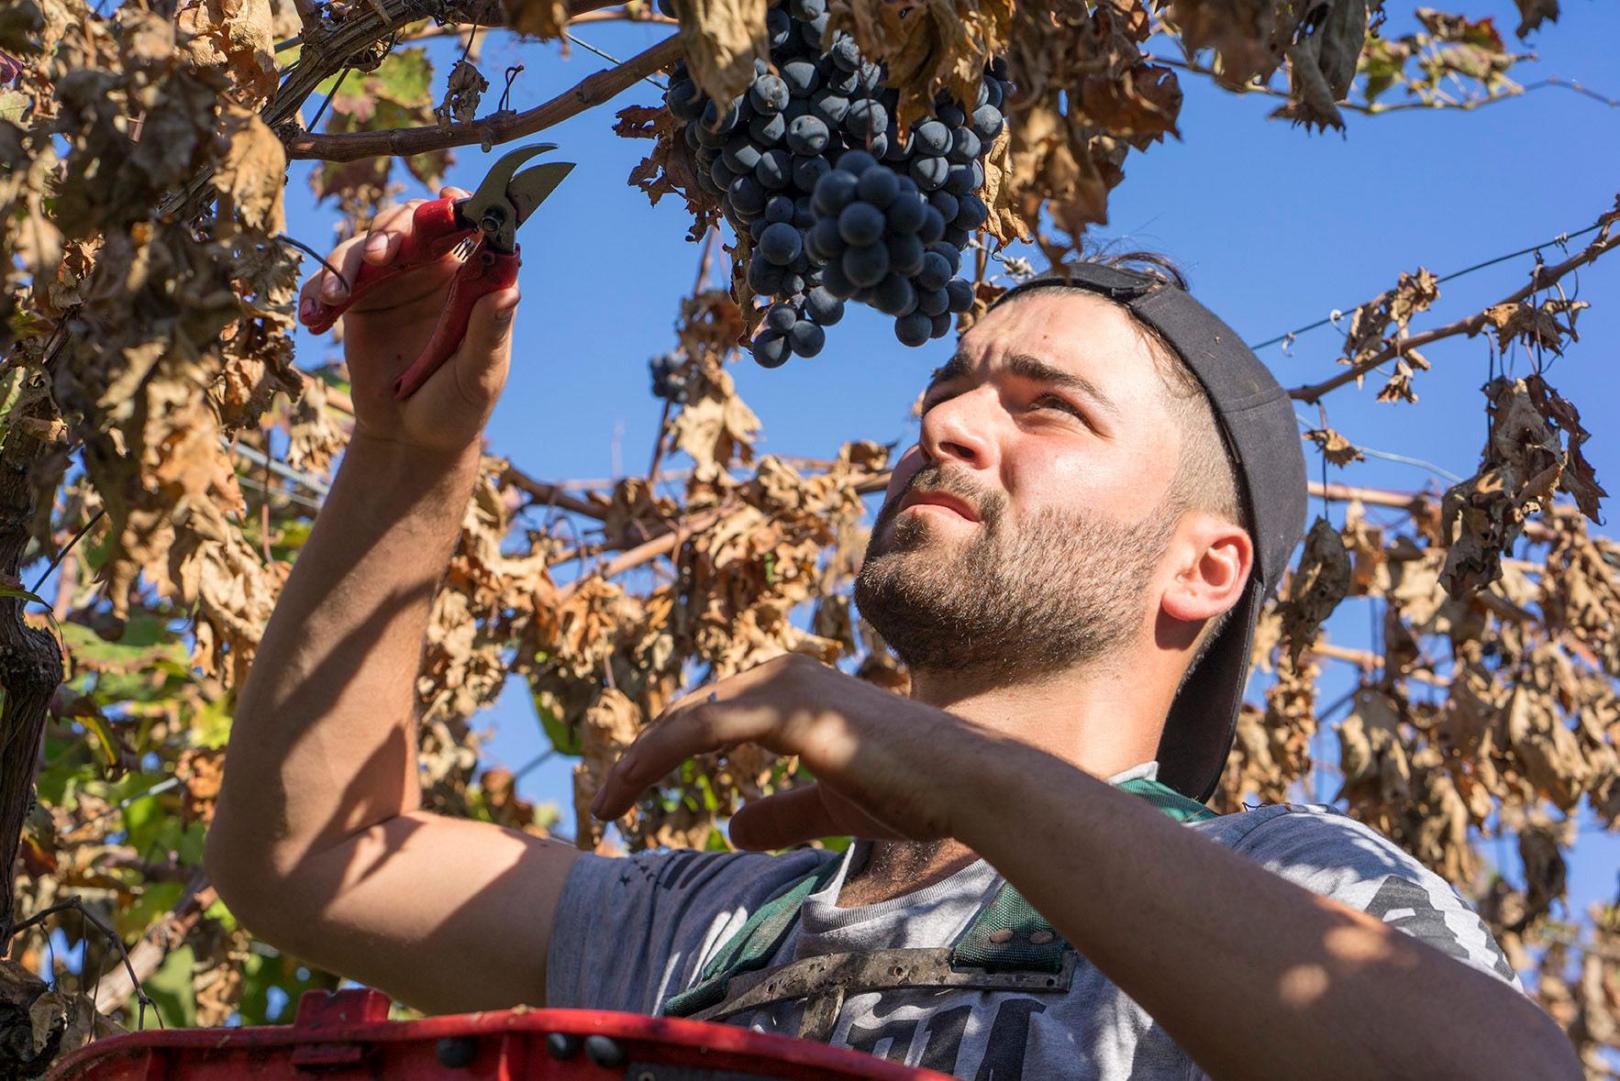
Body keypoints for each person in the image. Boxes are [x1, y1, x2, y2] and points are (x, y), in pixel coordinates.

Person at [206, 189, 1579, 1081]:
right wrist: (408, 448)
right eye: (950, 387)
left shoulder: (1285, 881)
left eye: (1048, 408)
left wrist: (962, 770)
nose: (948, 422)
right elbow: (309, 856)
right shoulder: (711, 924)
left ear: (1203, 567)